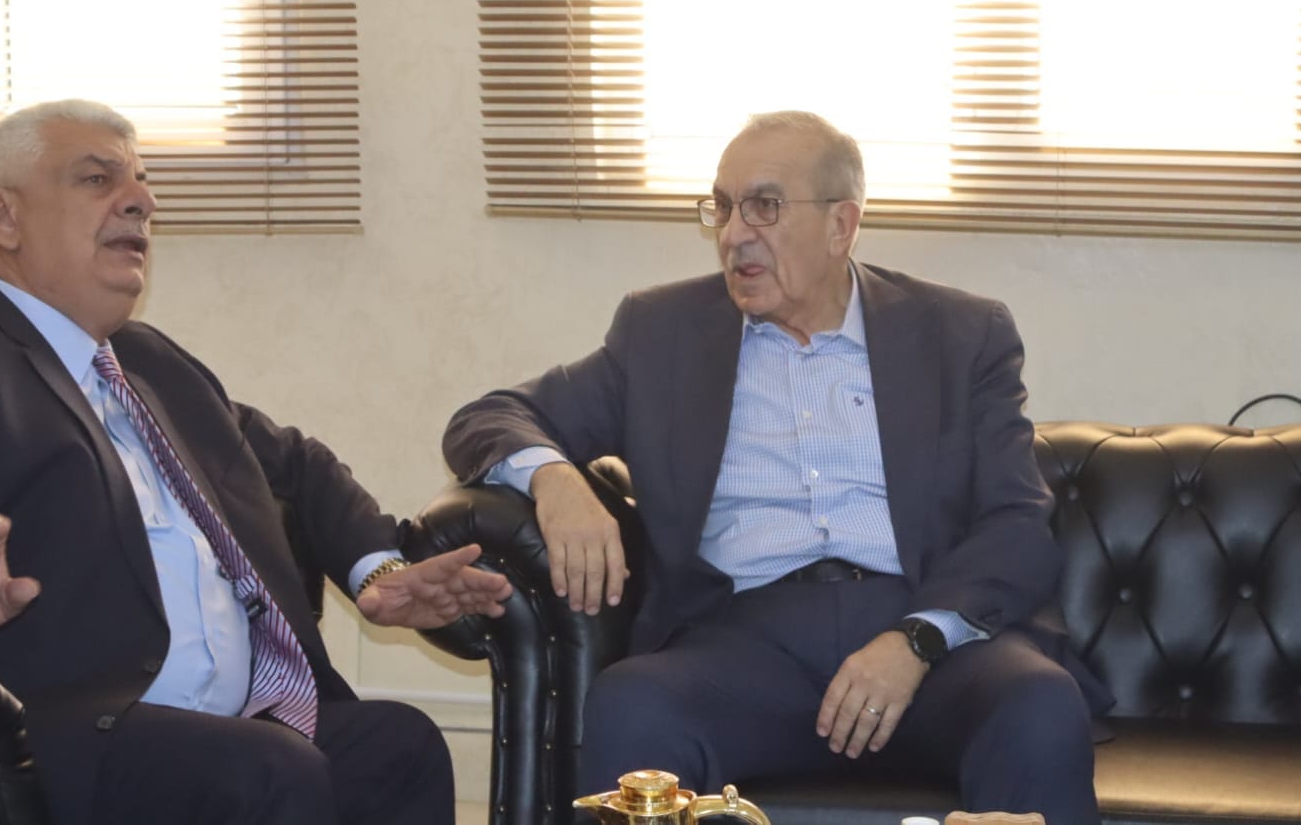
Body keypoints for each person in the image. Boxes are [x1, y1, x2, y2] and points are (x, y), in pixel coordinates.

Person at [0, 98, 512, 825]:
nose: (141, 201)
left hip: (228, 727)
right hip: (59, 726)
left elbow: (295, 463)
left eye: (140, 182)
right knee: (267, 770)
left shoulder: (148, 362)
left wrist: (378, 573)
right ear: (2, 216)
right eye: (98, 179)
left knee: (398, 745)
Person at [442, 111, 1112, 825]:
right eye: (723, 207)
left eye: (763, 206)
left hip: (928, 641)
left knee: (1037, 704)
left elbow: (1016, 522)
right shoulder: (664, 333)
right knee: (633, 705)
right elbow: (489, 417)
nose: (734, 234)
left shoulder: (959, 333)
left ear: (840, 225)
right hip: (745, 648)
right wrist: (555, 480)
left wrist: (915, 639)